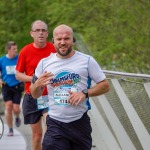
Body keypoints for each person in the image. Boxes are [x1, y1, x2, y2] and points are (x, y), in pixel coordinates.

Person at [30, 24, 110, 150]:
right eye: (59, 39)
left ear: (73, 40)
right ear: (53, 41)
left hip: (80, 123)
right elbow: (34, 94)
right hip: (55, 124)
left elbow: (105, 86)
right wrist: (37, 85)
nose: (63, 42)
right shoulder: (44, 63)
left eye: (66, 38)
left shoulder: (87, 61)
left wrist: (84, 93)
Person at [15, 20, 56, 150]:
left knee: (51, 130)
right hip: (32, 97)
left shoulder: (54, 49)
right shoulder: (26, 51)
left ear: (47, 33)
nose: (41, 33)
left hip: (50, 97)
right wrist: (35, 79)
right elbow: (18, 74)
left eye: (43, 30)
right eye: (37, 30)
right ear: (31, 33)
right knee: (37, 136)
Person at [0, 41, 22, 136]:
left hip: (17, 85)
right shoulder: (2, 60)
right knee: (8, 107)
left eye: (16, 49)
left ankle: (17, 117)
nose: (16, 51)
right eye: (14, 49)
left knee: (16, 109)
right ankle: (10, 129)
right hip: (6, 86)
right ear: (8, 50)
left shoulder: (19, 59)